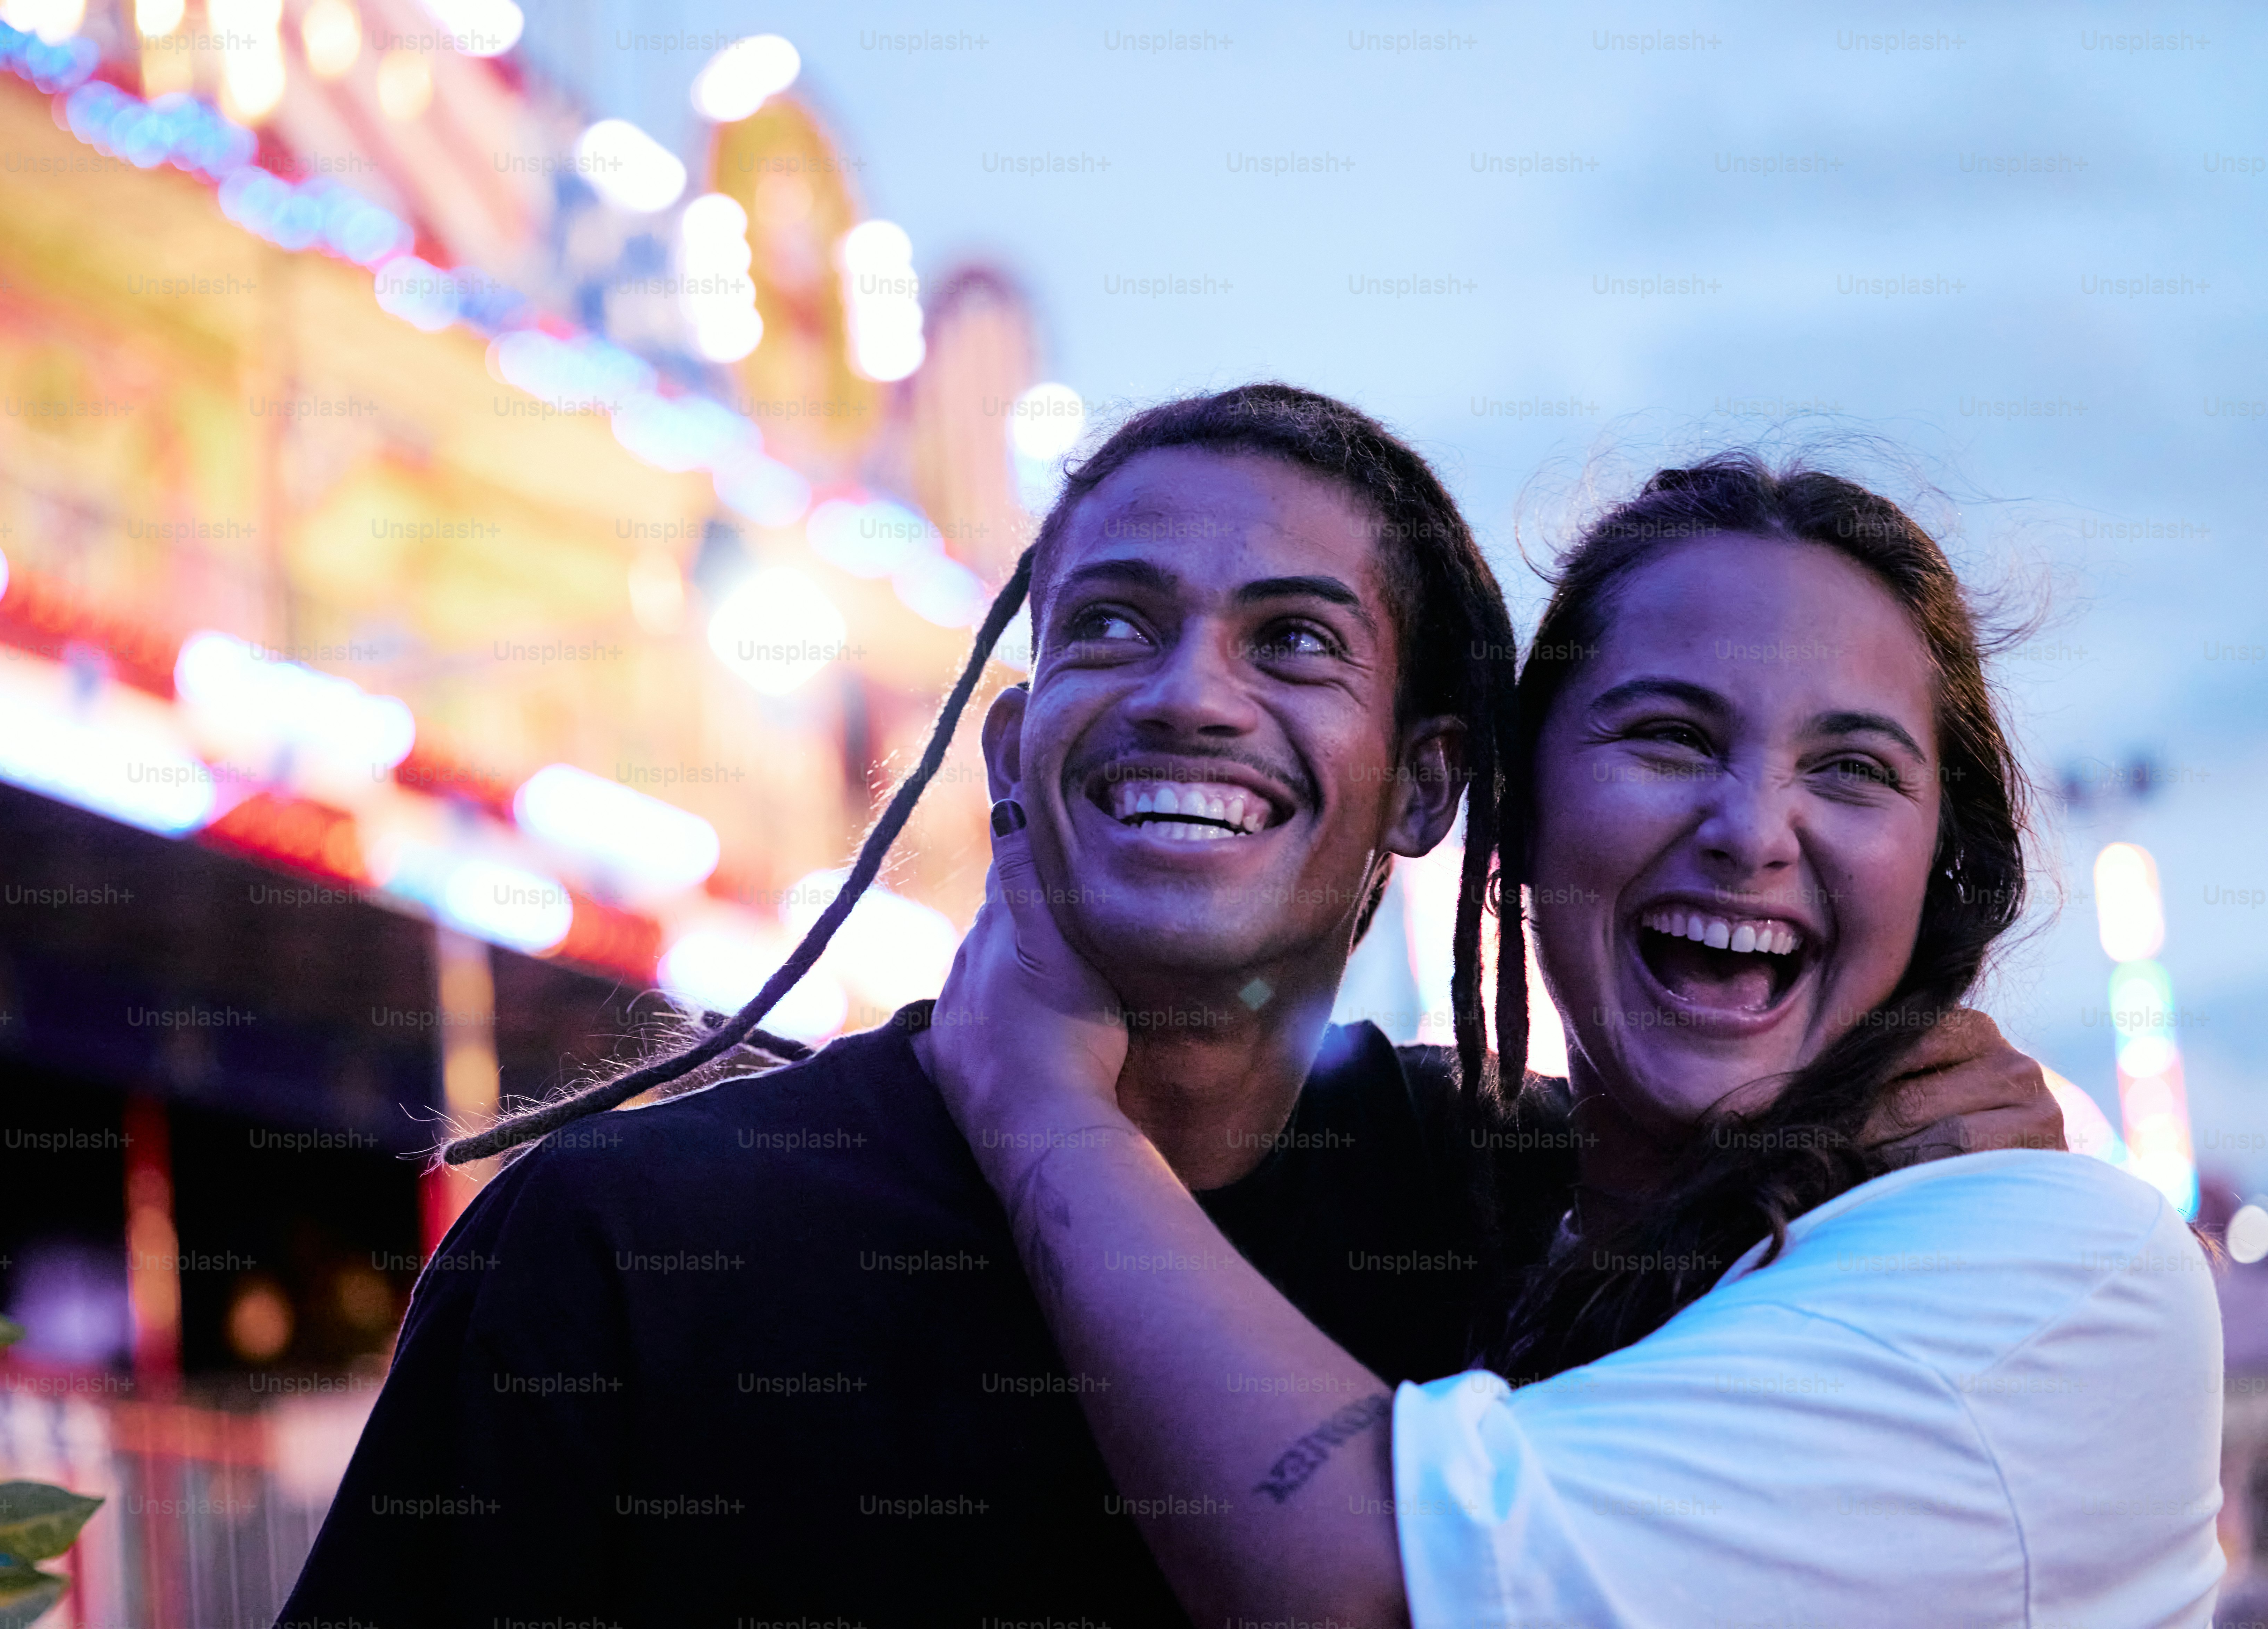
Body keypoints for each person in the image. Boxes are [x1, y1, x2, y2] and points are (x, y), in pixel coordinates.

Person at [277, 403, 2061, 1626]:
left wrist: (1888, 1131)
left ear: (1431, 786)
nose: (1192, 696)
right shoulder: (621, 1247)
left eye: (1296, 642)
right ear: (1010, 750)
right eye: (1116, 627)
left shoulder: (1541, 1214)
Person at [924, 454, 2222, 1628]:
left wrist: (1042, 1099)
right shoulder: (1493, 1202)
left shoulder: (2058, 1257)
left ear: (1942, 865)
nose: (1751, 830)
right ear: (1518, 811)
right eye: (1669, 736)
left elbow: (1372, 1588)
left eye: (1852, 770)